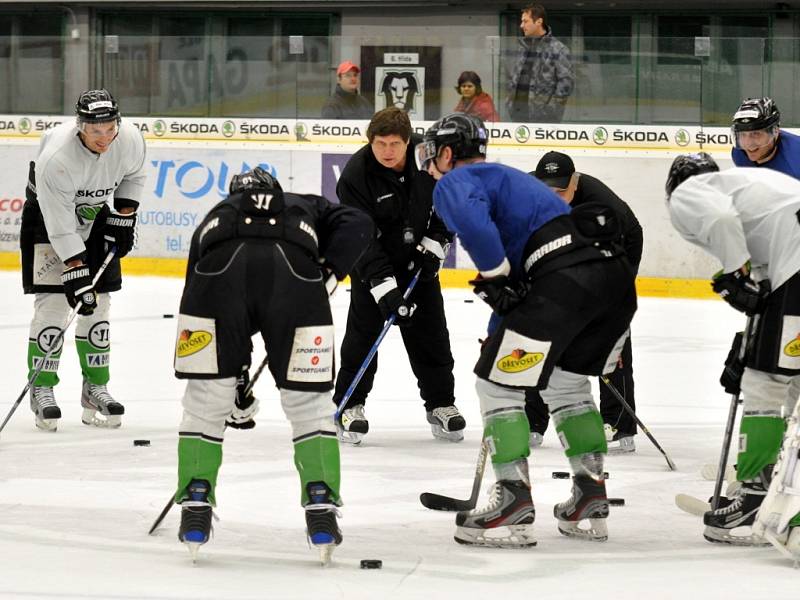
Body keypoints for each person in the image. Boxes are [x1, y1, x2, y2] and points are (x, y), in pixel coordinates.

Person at [417, 113, 637, 547]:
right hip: (612, 283)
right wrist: (504, 321)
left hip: (562, 281)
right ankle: (589, 493)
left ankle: (513, 501)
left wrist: (494, 275)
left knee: (495, 388)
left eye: (431, 152)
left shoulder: (456, 181)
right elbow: (528, 280)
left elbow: (475, 225)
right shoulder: (512, 180)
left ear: (445, 153)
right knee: (567, 385)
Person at [171, 167, 373, 563]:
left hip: (216, 276)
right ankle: (320, 503)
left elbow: (195, 289)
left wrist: (235, 379)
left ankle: (196, 499)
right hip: (295, 279)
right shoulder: (303, 204)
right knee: (309, 402)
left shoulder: (216, 213)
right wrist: (331, 270)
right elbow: (359, 221)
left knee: (205, 399)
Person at [665, 153, 800, 548]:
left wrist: (732, 271)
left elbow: (722, 223)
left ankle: (755, 495)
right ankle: (784, 492)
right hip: (790, 269)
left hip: (795, 272)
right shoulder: (750, 186)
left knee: (765, 382)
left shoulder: (690, 191)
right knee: (794, 385)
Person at [332, 107, 464, 444]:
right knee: (362, 338)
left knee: (432, 337)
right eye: (380, 144)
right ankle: (350, 403)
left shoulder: (429, 160)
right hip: (374, 269)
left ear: (409, 142)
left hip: (420, 266)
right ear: (370, 142)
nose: (387, 151)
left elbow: (451, 200)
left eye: (394, 144)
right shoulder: (355, 177)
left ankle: (440, 404)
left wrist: (436, 243)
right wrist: (384, 288)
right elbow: (361, 237)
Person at [20, 89, 145, 432]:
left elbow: (134, 175)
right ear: (80, 127)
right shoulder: (58, 158)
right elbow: (59, 225)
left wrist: (124, 215)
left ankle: (95, 387)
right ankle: (42, 387)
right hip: (48, 218)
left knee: (98, 303)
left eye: (110, 129)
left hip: (95, 215)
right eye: (95, 131)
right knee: (56, 304)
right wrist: (75, 270)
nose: (104, 138)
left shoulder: (130, 139)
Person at [526, 151, 643, 453]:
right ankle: (531, 421)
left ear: (575, 183)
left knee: (609, 336)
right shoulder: (524, 197)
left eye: (561, 191)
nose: (554, 197)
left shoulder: (602, 206)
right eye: (547, 190)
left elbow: (632, 236)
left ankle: (618, 423)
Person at [506, 4, 574, 123]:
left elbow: (566, 83)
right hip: (517, 115)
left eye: (525, 21)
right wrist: (509, 101)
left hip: (544, 119)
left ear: (538, 22)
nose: (521, 25)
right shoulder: (522, 47)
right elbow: (514, 77)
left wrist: (550, 109)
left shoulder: (558, 49)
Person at [731, 97, 800, 179]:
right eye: (742, 134)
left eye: (756, 134)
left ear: (775, 132)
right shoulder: (739, 154)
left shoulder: (796, 164)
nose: (748, 143)